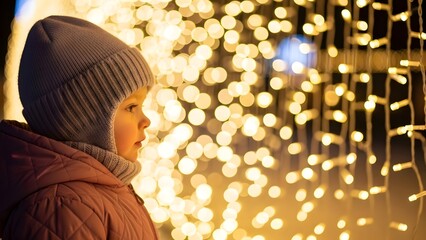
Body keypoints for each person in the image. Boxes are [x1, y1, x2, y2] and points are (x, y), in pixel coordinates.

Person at [0, 15, 158, 239]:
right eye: (132, 107)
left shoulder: (104, 190)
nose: (146, 120)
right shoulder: (62, 206)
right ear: (83, 119)